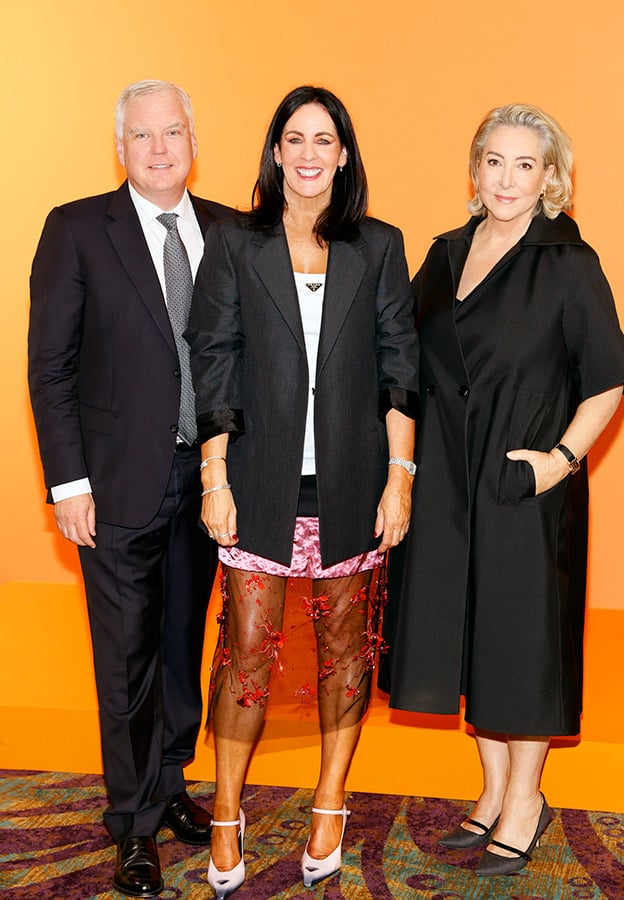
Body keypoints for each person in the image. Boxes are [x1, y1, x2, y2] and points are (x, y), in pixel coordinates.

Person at [384, 104, 624, 877]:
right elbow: (402, 358)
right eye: (493, 161)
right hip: (446, 484)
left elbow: (608, 381)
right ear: (475, 170)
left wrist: (560, 460)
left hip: (524, 485)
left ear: (550, 178)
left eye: (524, 164)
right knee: (473, 638)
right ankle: (494, 791)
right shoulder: (443, 251)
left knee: (523, 644)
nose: (505, 178)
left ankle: (527, 799)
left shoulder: (568, 261)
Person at [186, 85, 419, 897]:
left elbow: (401, 370)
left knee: (345, 658)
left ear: (344, 154)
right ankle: (225, 807)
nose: (311, 154)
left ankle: (330, 800)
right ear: (276, 151)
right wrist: (214, 477)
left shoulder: (380, 246)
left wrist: (400, 480)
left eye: (325, 139)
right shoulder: (235, 244)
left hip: (354, 486)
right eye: (296, 138)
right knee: (245, 655)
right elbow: (211, 361)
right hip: (257, 483)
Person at [28, 79, 231, 897]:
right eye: (142, 135)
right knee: (125, 659)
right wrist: (68, 483)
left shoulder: (226, 229)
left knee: (184, 643)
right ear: (121, 147)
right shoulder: (77, 229)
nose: (158, 148)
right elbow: (51, 366)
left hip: (206, 481)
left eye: (172, 132)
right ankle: (132, 825)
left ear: (191, 139)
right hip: (112, 485)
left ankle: (172, 782)